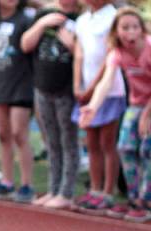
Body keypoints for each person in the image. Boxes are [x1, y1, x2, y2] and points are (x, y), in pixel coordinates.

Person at [80, 7, 151, 223]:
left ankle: (146, 200)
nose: (130, 32)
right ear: (116, 31)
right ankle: (133, 198)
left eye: (134, 27)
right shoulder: (117, 52)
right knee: (125, 147)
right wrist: (92, 105)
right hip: (136, 104)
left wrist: (147, 115)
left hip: (149, 106)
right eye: (124, 27)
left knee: (147, 148)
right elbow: (106, 81)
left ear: (141, 30)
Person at [21, 0, 79, 210]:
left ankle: (66, 192)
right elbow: (26, 44)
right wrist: (41, 24)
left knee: (68, 140)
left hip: (66, 89)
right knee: (52, 141)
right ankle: (53, 189)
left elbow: (85, 54)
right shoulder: (45, 14)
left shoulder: (80, 19)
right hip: (42, 86)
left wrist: (71, 43)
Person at [0, 0, 36, 203]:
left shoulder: (25, 21)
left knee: (19, 133)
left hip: (20, 84)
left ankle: (27, 184)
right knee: (4, 135)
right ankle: (7, 181)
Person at [72, 0, 123, 216]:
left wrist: (93, 87)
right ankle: (94, 189)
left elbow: (111, 57)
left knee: (107, 143)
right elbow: (79, 54)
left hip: (109, 90)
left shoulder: (114, 17)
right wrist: (78, 84)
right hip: (86, 90)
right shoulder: (82, 20)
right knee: (91, 141)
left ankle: (108, 192)